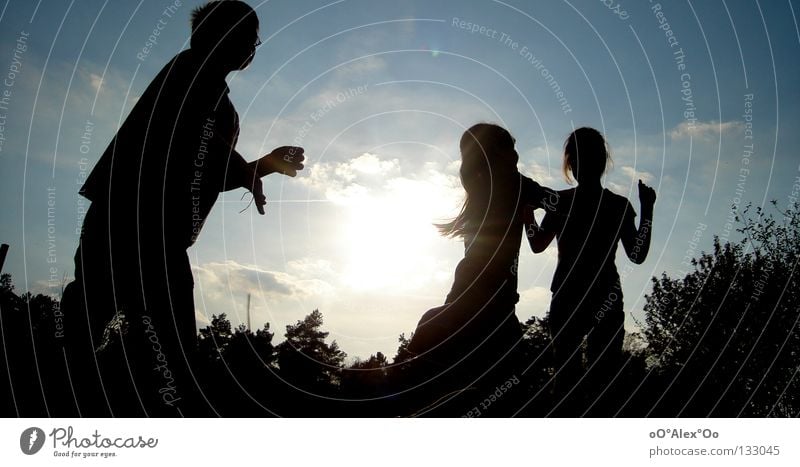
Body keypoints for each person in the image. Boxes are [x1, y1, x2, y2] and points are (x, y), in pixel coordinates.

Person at [60, 0, 305, 416]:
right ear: (212, 35)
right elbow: (192, 145)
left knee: (120, 331)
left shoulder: (218, 100)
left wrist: (258, 169)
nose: (253, 46)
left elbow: (203, 169)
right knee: (159, 351)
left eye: (255, 39)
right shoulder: (191, 74)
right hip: (132, 224)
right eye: (248, 36)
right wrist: (255, 169)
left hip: (153, 233)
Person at [402, 123, 559, 415]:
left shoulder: (480, 186)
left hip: (473, 294)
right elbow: (557, 203)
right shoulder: (514, 183)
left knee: (487, 388)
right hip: (490, 302)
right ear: (497, 154)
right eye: (511, 147)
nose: (516, 154)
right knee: (509, 390)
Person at [524, 127, 655, 416]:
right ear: (603, 160)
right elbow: (638, 254)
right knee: (604, 384)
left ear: (570, 163)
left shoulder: (562, 202)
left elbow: (536, 244)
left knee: (567, 380)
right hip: (605, 296)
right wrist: (648, 211)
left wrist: (527, 215)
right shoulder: (617, 205)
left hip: (568, 297)